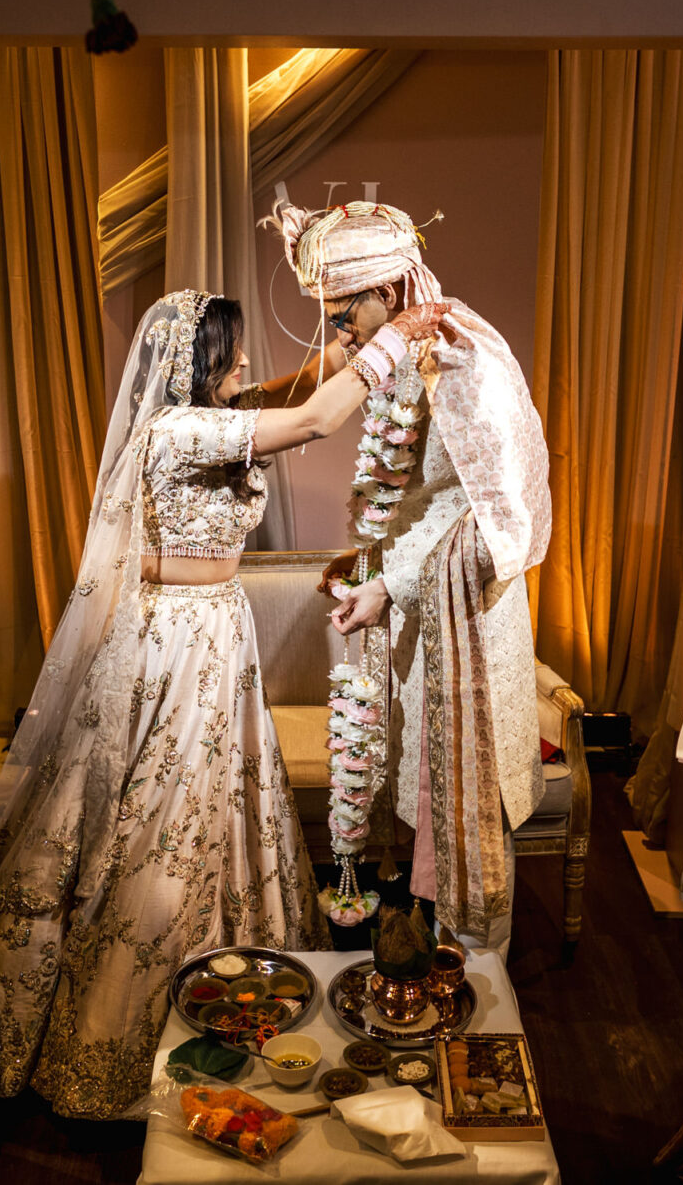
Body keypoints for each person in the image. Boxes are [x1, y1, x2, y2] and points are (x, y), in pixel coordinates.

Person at [0, 289, 432, 1118]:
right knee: (158, 821)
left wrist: (363, 332)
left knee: (217, 812)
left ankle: (236, 982)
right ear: (197, 361)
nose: (243, 366)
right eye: (231, 353)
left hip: (215, 629)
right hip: (172, 642)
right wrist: (399, 342)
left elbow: (299, 389)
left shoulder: (210, 413)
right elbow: (312, 421)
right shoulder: (177, 431)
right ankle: (122, 1036)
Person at [273, 198, 551, 954]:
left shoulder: (459, 358)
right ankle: (420, 957)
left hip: (464, 615)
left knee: (465, 804)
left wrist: (387, 584)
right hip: (419, 605)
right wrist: (373, 566)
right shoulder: (406, 353)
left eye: (341, 315)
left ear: (389, 295)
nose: (338, 335)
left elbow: (488, 521)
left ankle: (476, 978)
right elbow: (415, 493)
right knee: (424, 793)